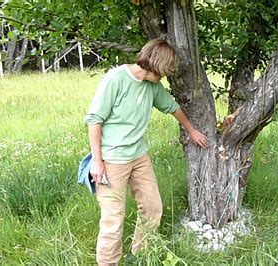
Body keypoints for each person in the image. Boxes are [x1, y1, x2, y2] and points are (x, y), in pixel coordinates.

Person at [84, 38, 208, 265]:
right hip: (112, 160)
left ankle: (140, 256)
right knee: (113, 219)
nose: (163, 78)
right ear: (153, 65)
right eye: (162, 72)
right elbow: (94, 120)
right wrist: (97, 161)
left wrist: (191, 130)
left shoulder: (152, 86)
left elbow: (172, 107)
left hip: (139, 157)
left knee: (153, 209)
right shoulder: (116, 79)